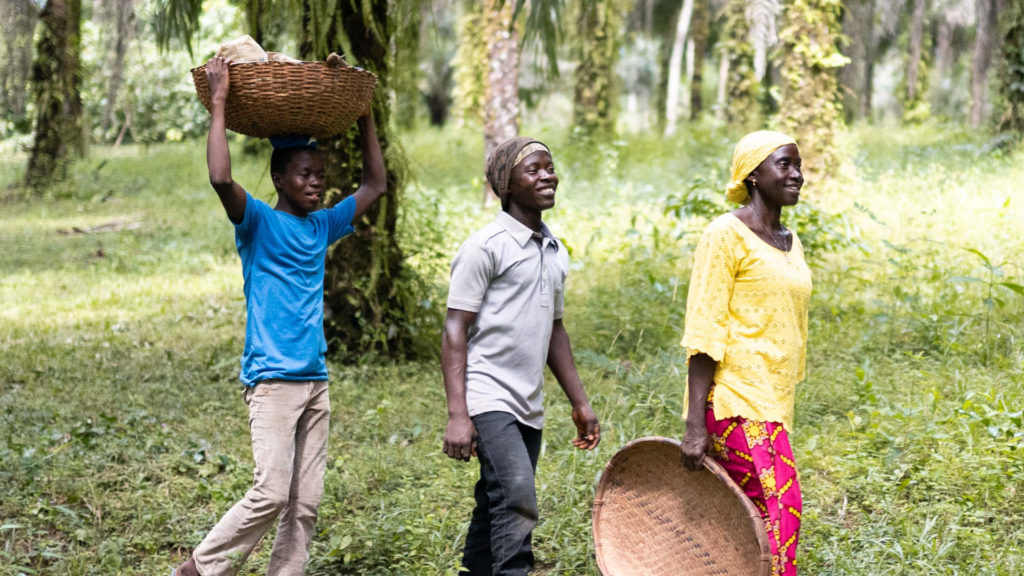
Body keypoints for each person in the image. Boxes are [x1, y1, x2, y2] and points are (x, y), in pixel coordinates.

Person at [172, 56, 386, 576]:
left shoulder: (323, 226)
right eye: (305, 175)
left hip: (315, 380)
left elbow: (375, 185)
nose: (317, 184)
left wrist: (364, 116)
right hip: (272, 379)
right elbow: (221, 178)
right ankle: (197, 570)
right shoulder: (258, 223)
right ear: (280, 178)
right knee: (270, 492)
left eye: (321, 175)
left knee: (304, 504)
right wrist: (219, 102)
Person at [441, 137, 601, 576]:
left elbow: (554, 329)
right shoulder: (486, 247)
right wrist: (459, 414)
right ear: (506, 185)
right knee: (516, 497)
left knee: (493, 501)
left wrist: (580, 402)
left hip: (528, 403)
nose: (547, 176)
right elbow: (455, 329)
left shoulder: (553, 250)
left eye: (549, 167)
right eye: (534, 169)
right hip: (489, 396)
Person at [678, 131, 812, 576]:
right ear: (753, 175)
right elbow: (704, 330)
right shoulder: (725, 234)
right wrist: (695, 423)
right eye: (784, 165)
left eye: (798, 165)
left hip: (774, 404)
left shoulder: (791, 240)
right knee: (782, 508)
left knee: (752, 518)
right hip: (735, 399)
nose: (797, 174)